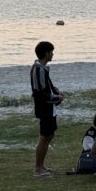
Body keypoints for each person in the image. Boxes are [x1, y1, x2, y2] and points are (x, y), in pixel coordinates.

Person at [30, 40, 63, 178]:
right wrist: (57, 98)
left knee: (49, 135)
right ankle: (38, 168)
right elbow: (41, 93)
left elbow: (48, 86)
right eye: (51, 52)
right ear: (46, 53)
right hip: (44, 107)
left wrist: (56, 91)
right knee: (44, 137)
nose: (53, 54)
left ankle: (41, 165)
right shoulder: (38, 69)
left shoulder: (43, 68)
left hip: (50, 107)